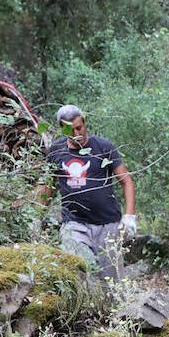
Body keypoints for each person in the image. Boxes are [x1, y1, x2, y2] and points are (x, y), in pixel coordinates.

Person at [40, 105, 136, 281]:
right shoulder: (56, 151)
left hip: (107, 224)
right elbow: (49, 185)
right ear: (62, 129)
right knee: (81, 270)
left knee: (112, 283)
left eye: (79, 127)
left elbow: (126, 181)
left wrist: (129, 217)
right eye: (71, 129)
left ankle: (119, 308)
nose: (77, 133)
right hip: (74, 224)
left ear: (84, 123)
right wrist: (36, 215)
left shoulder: (103, 147)